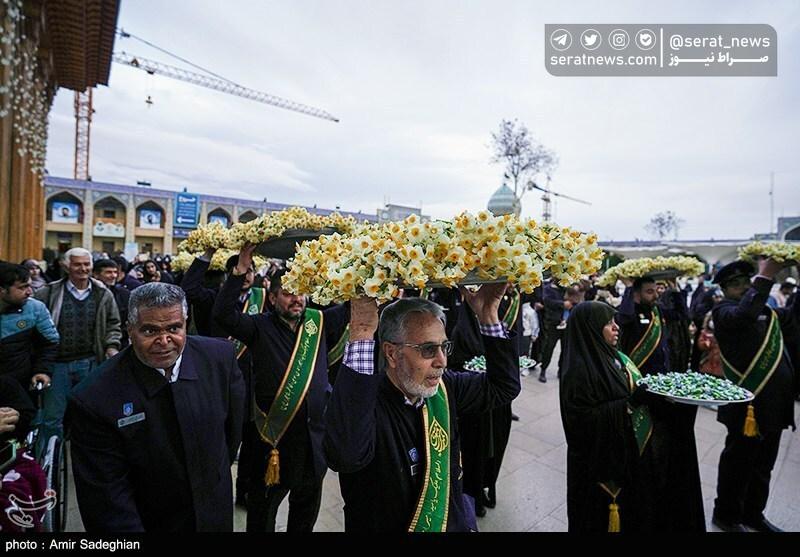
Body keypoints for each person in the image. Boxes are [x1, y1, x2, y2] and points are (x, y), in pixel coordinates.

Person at [324, 284, 521, 532]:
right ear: (392, 354)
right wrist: (362, 332)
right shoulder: (363, 403)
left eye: (444, 347)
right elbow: (345, 455)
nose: (442, 361)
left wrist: (488, 314)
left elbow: (503, 387)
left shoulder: (445, 387)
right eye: (428, 350)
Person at [68, 283, 245, 532]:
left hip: (214, 513)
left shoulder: (220, 358)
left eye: (174, 328)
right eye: (150, 330)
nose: (163, 341)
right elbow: (106, 499)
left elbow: (231, 433)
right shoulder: (94, 398)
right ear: (130, 330)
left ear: (186, 323)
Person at [212, 244, 348, 532]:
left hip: (312, 442)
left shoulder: (319, 322)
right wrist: (241, 269)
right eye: (287, 293)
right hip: (272, 440)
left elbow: (353, 306)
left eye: (300, 292)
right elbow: (222, 314)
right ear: (272, 298)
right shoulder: (258, 327)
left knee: (305, 514)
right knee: (262, 514)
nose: (296, 298)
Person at [711, 259, 798, 532]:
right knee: (738, 464)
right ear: (724, 289)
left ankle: (753, 514)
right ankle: (726, 516)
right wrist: (766, 276)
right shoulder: (723, 311)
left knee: (763, 466)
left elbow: (795, 316)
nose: (743, 287)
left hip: (774, 404)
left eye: (746, 282)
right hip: (746, 407)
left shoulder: (767, 312)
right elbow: (744, 315)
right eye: (735, 284)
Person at [560, 301, 658, 532]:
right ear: (591, 329)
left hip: (622, 452)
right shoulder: (579, 370)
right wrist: (628, 404)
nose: (616, 327)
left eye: (615, 321)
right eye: (608, 323)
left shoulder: (613, 356)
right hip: (596, 466)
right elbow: (580, 422)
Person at [181, 247, 265, 507]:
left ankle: (244, 492)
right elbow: (188, 289)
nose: (247, 276)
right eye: (241, 271)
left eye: (250, 271)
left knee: (251, 440)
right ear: (231, 273)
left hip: (251, 381)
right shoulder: (214, 298)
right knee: (218, 438)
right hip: (218, 380)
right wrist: (206, 255)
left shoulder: (262, 300)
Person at [33, 248, 122, 453]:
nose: (83, 269)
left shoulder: (103, 293)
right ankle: (49, 463)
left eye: (86, 264)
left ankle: (87, 457)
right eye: (77, 264)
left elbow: (113, 324)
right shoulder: (48, 292)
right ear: (66, 267)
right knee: (52, 418)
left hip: (90, 363)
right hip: (57, 366)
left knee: (90, 415)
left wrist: (111, 346)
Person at [0, 374, 48, 532]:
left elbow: (26, 416)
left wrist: (12, 419)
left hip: (7, 454)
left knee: (20, 487)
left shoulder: (6, 384)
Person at [0, 262, 59, 391]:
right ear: (2, 290)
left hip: (20, 387)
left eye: (30, 286)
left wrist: (42, 371)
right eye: (22, 287)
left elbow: (49, 344)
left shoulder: (35, 309)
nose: (29, 292)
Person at [93, 259, 131, 349]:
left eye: (115, 272)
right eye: (108, 272)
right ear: (96, 274)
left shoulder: (124, 294)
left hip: (119, 344)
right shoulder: (90, 295)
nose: (113, 276)